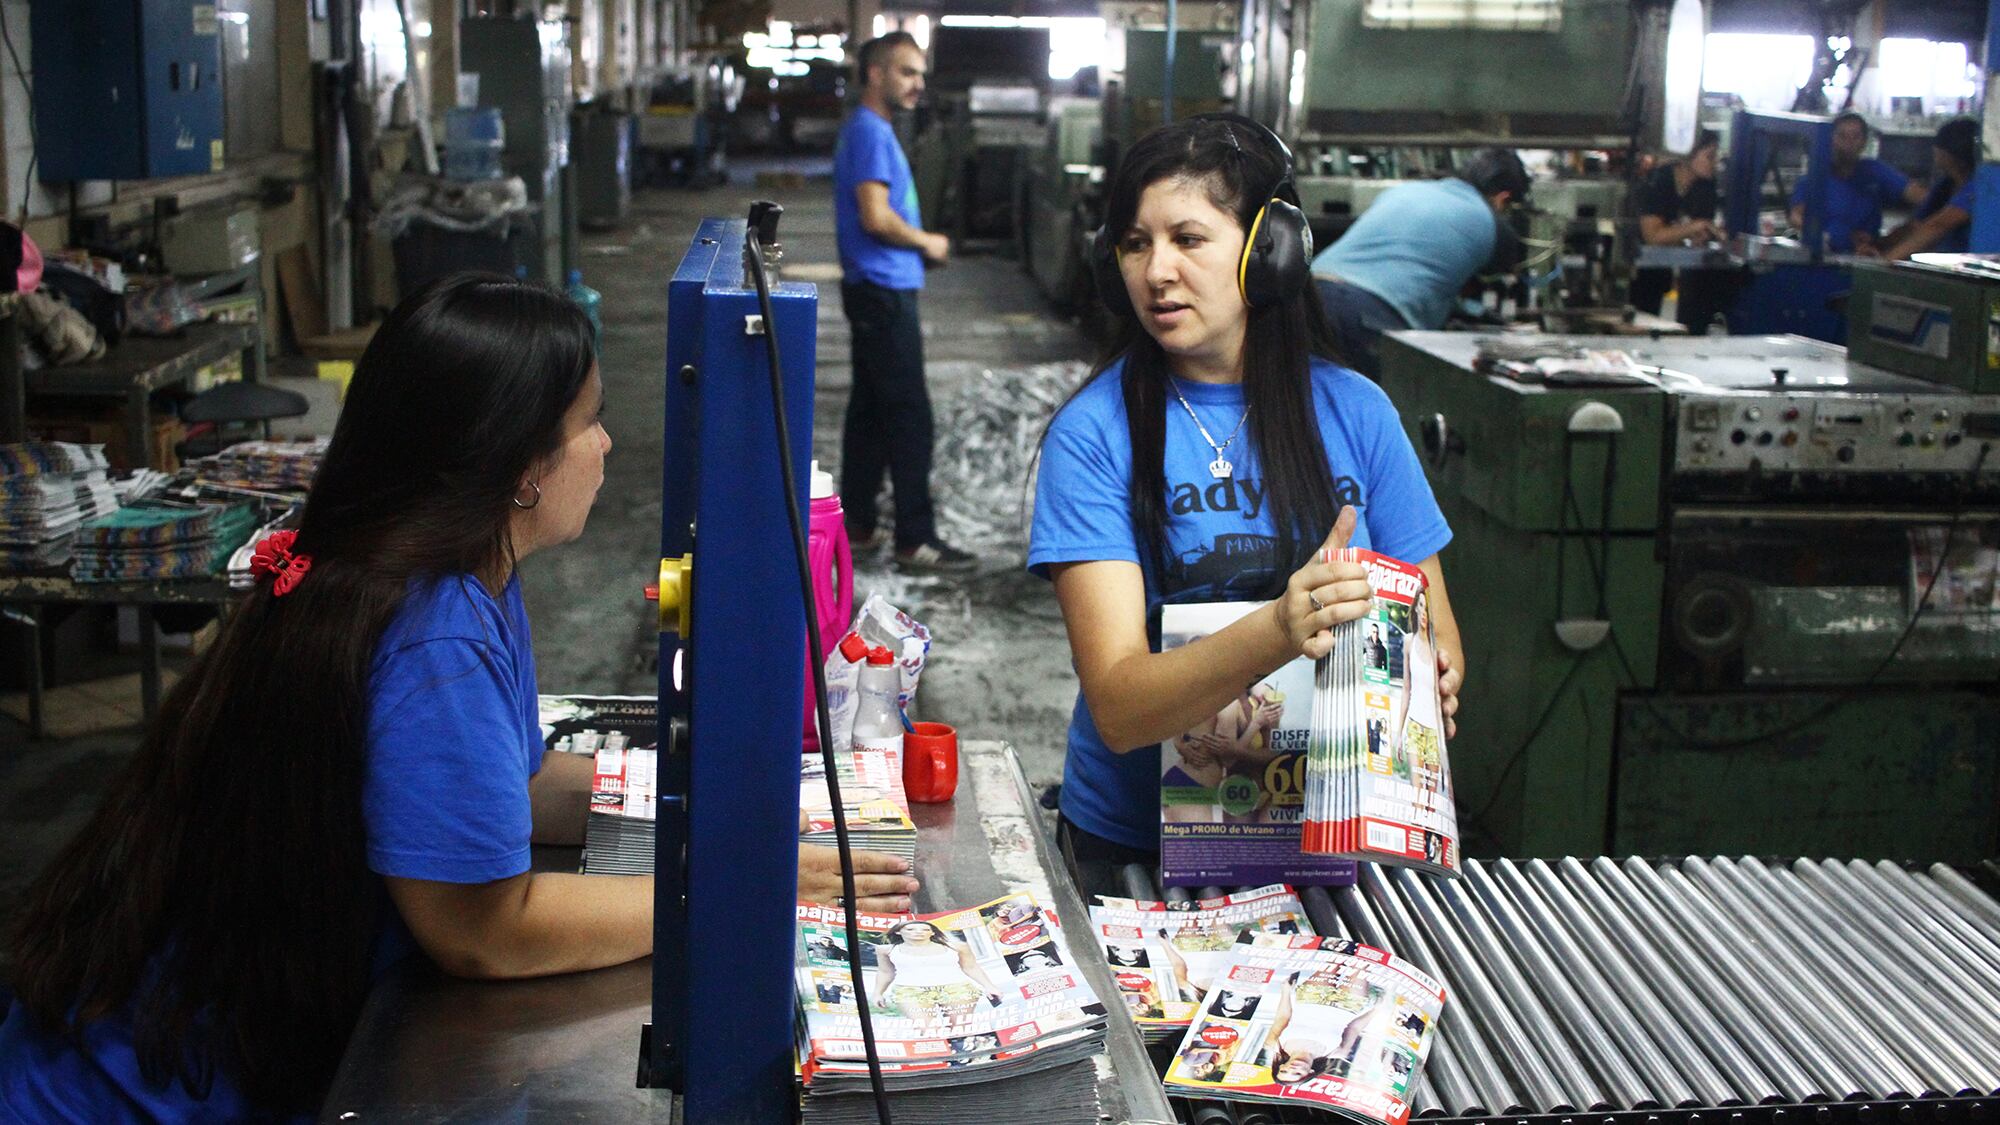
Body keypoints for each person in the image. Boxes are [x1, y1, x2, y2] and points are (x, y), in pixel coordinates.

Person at [0, 275, 918, 1122]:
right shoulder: (433, 630)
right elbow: (486, 930)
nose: (607, 445)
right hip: (118, 1093)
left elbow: (517, 784)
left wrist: (731, 812)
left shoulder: (462, 573)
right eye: (591, 421)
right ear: (520, 465)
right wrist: (739, 888)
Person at [1028, 115, 1463, 898]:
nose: (1157, 271)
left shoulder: (1358, 412)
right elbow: (1120, 707)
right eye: (1135, 244)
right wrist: (1279, 629)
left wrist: (1422, 689)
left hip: (1328, 835)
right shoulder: (1093, 434)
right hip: (1136, 853)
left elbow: (1437, 635)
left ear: (1270, 251)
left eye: (1188, 239)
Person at [833, 31, 975, 574]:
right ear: (876, 74)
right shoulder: (871, 132)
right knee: (910, 416)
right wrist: (927, 242)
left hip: (876, 288)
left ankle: (858, 523)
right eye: (907, 72)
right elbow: (875, 216)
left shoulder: (869, 130)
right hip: (883, 292)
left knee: (870, 413)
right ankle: (915, 538)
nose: (918, 84)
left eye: (920, 74)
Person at [1311, 148, 1531, 378]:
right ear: (1503, 198)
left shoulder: (1406, 190)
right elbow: (1490, 275)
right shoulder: (1493, 224)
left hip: (1307, 294)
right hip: (1367, 313)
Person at [1631, 131, 1733, 331]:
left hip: (1672, 268)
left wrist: (1701, 234)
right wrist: (1696, 226)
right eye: (1709, 156)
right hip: (1640, 267)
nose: (1714, 164)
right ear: (1688, 155)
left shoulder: (1706, 186)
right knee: (1643, 314)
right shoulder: (1659, 181)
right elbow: (1652, 236)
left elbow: (1701, 232)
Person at [1786, 112, 1928, 255]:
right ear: (1830, 139)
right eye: (1842, 136)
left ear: (1864, 142)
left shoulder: (1874, 171)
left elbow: (1921, 197)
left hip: (1866, 256)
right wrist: (1824, 238)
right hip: (1824, 255)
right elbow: (1796, 216)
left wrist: (1897, 235)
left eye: (1855, 136)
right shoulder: (1815, 176)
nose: (1849, 142)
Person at [870, 919, 1004, 1027]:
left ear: (932, 933)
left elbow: (971, 967)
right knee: (926, 1030)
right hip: (909, 991)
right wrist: (878, 993)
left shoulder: (956, 946)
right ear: (898, 932)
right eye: (910, 929)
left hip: (956, 988)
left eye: (925, 929)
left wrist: (990, 986)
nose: (918, 932)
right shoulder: (886, 950)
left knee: (960, 1028)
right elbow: (885, 972)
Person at [1880, 118, 1979, 261]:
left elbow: (1938, 225)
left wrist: (1887, 260)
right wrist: (1878, 245)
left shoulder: (1977, 187)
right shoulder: (1945, 186)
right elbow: (1916, 225)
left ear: (1946, 152)